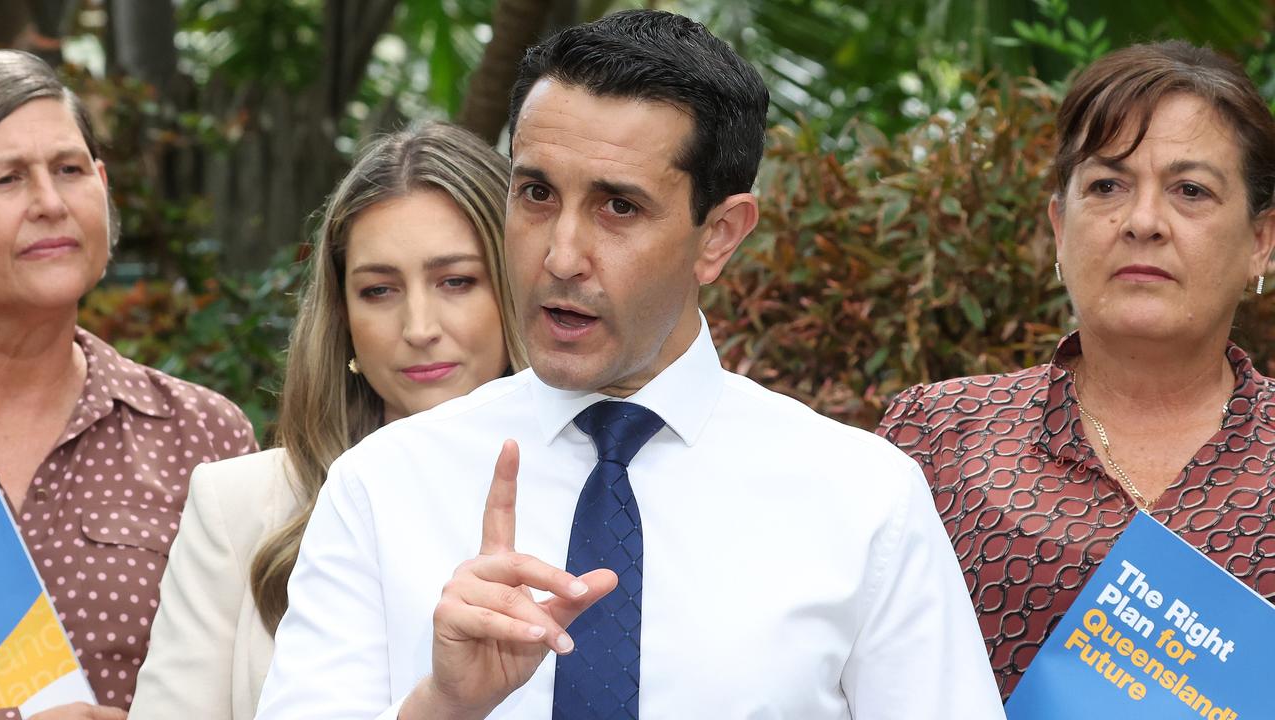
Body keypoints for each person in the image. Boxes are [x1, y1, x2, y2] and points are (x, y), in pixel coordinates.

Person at [256, 10, 1004, 720]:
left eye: (618, 207)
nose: (561, 255)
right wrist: (442, 708)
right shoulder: (383, 487)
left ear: (719, 236)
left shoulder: (860, 499)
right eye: (537, 193)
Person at [877, 40, 1275, 700]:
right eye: (1107, 186)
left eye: (1191, 190)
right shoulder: (936, 437)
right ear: (1060, 226)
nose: (1143, 221)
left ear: (1261, 241)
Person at [126, 122, 526, 720]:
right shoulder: (238, 508)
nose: (419, 327)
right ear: (343, 317)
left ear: (517, 286)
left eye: (456, 281)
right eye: (379, 290)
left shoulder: (606, 485)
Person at [0, 50, 257, 718]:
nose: (50, 203)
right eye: (6, 179)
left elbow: (266, 686)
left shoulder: (204, 437)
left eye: (69, 170)